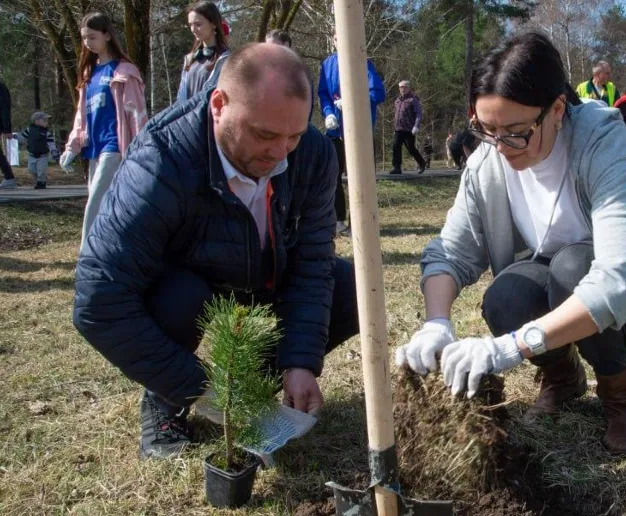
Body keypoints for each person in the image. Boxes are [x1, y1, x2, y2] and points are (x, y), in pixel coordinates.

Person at [394, 32, 626, 455]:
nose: (501, 147)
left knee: (573, 270)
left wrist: (509, 348)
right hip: (563, 274)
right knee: (504, 296)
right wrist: (436, 322)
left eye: (516, 132)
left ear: (557, 109)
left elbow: (620, 277)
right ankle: (563, 377)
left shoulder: (608, 149)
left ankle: (619, 394)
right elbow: (451, 251)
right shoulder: (489, 159)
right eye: (486, 129)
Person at [72, 43, 359, 460]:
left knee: (346, 286)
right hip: (191, 284)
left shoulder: (312, 155)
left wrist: (301, 361)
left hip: (264, 277)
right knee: (179, 299)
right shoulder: (162, 160)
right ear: (219, 105)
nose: (280, 154)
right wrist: (196, 384)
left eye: (293, 136)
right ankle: (166, 401)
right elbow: (98, 300)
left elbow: (312, 265)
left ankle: (249, 392)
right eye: (264, 134)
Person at [60, 12, 147, 246]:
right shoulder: (89, 73)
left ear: (107, 35)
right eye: (84, 38)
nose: (87, 43)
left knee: (95, 204)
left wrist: (140, 152)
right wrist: (72, 147)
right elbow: (81, 116)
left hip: (115, 146)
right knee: (104, 205)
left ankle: (86, 257)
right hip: (94, 149)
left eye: (92, 37)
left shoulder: (124, 72)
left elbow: (138, 115)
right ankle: (109, 252)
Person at [317, 38, 386, 234]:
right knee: (333, 176)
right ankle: (338, 220)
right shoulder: (327, 64)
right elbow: (323, 93)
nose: (341, 41)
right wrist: (329, 112)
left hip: (360, 131)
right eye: (337, 38)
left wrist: (353, 100)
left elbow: (378, 94)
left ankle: (362, 222)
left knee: (363, 176)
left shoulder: (364, 63)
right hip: (335, 130)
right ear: (334, 40)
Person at [177, 2, 230, 103]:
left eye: (198, 24)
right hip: (189, 117)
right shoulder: (190, 59)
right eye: (190, 25)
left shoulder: (227, 60)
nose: (193, 29)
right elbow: (180, 98)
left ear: (213, 24)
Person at [390, 80, 426, 175]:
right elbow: (396, 114)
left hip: (409, 129)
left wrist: (416, 126)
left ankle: (421, 163)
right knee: (395, 146)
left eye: (405, 87)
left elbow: (418, 114)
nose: (403, 89)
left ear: (409, 88)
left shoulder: (413, 100)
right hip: (398, 129)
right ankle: (396, 167)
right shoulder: (397, 101)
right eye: (401, 87)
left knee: (411, 148)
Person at [17, 112, 57, 189]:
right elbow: (22, 137)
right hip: (31, 155)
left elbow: (51, 145)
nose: (46, 122)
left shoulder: (47, 133)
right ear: (37, 121)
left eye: (47, 120)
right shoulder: (29, 130)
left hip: (43, 156)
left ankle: (41, 183)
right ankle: (40, 179)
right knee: (31, 170)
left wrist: (55, 154)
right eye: (44, 120)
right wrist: (14, 136)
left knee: (41, 171)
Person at [0, 79, 16, 189]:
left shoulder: (1, 88)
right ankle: (9, 177)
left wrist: (7, 129)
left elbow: (5, 109)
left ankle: (9, 177)